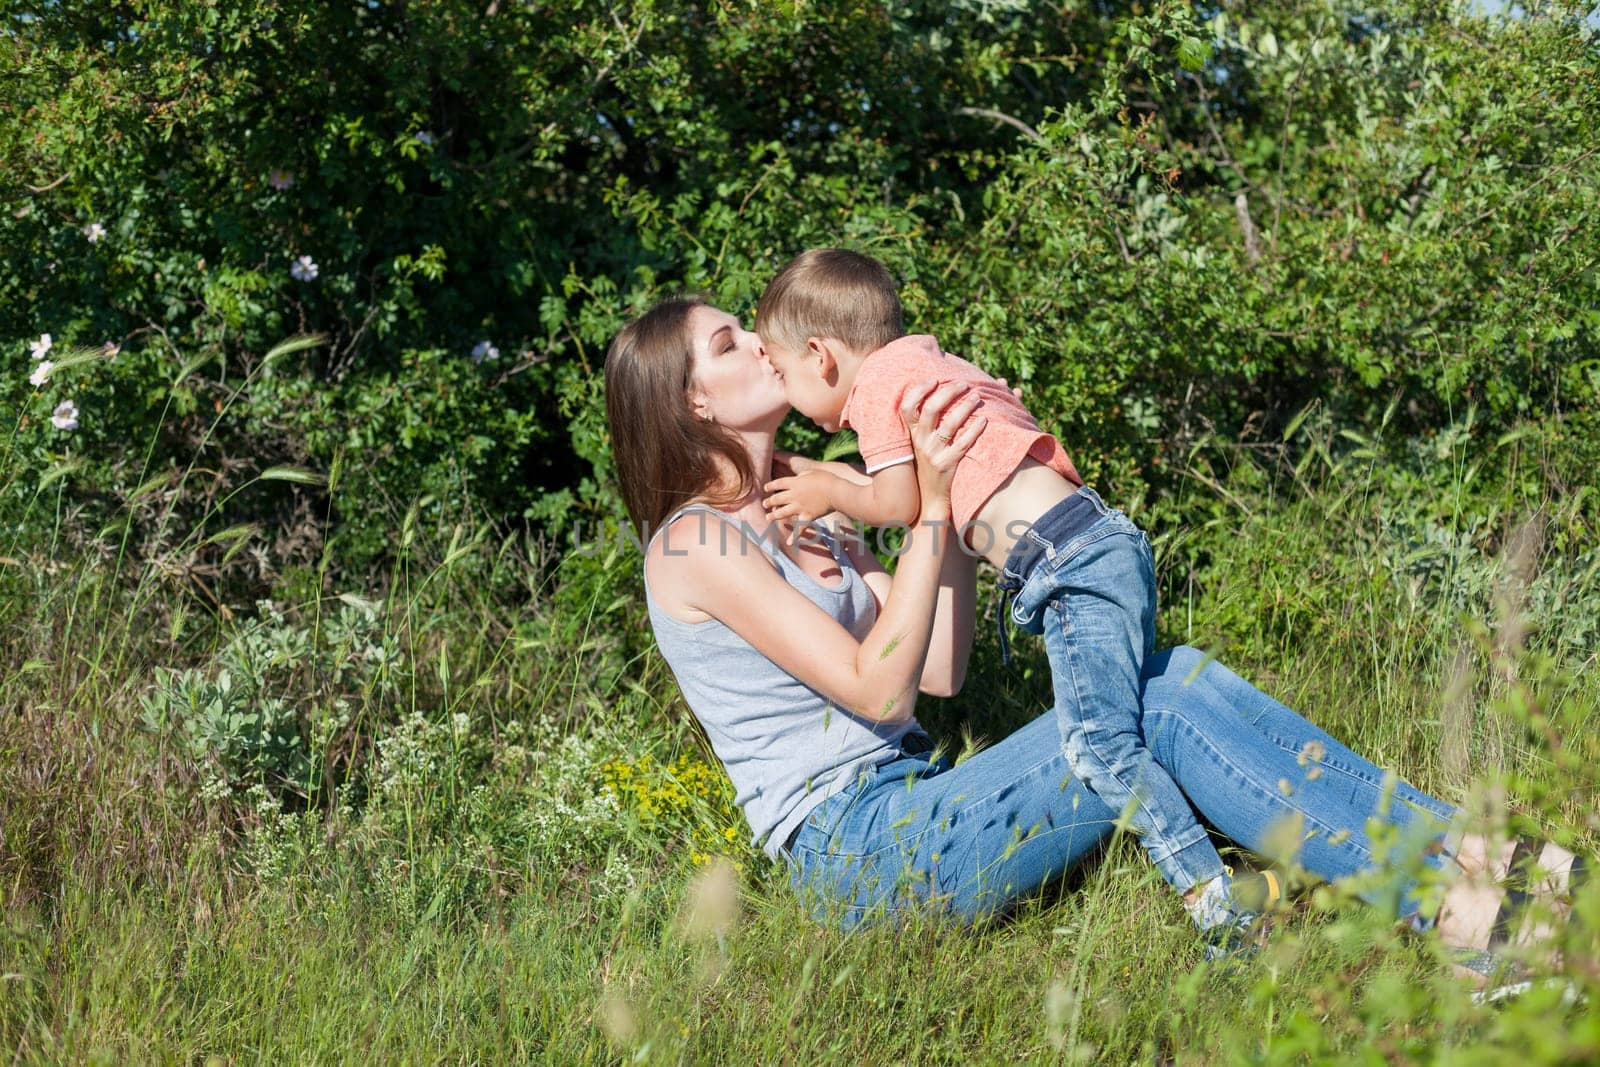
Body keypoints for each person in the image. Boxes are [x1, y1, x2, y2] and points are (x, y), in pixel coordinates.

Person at [603, 295, 1583, 978]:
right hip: (858, 852)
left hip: (919, 792)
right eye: (732, 343)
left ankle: (1473, 849)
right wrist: (934, 507)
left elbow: (937, 667)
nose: (761, 344)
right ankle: (1449, 909)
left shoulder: (816, 506)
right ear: (691, 400)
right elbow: (874, 690)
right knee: (1149, 706)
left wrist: (946, 483)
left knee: (1172, 674)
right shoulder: (693, 541)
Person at [755, 249, 1261, 949]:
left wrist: (828, 487)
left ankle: (1218, 907)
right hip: (1093, 541)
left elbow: (901, 499)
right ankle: (1246, 856)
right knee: (1128, 725)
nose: (786, 396)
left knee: (1100, 746)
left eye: (781, 371)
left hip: (1068, 560)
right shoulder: (931, 362)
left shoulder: (877, 387)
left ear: (822, 355)